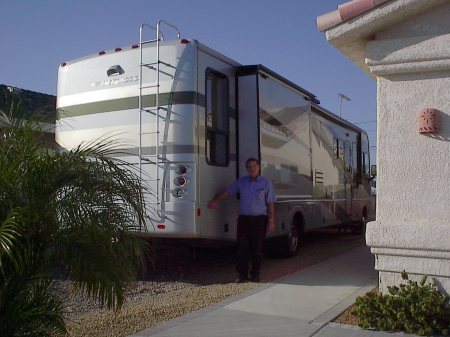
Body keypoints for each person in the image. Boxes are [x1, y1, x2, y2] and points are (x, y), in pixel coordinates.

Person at [208, 157, 276, 283]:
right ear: (247, 169)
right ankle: (242, 275)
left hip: (260, 220)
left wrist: (271, 221)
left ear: (259, 167)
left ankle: (255, 274)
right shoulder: (241, 181)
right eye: (249, 167)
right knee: (242, 248)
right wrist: (216, 200)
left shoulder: (266, 182)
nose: (252, 169)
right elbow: (228, 192)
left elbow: (270, 203)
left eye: (254, 166)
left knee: (257, 248)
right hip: (244, 219)